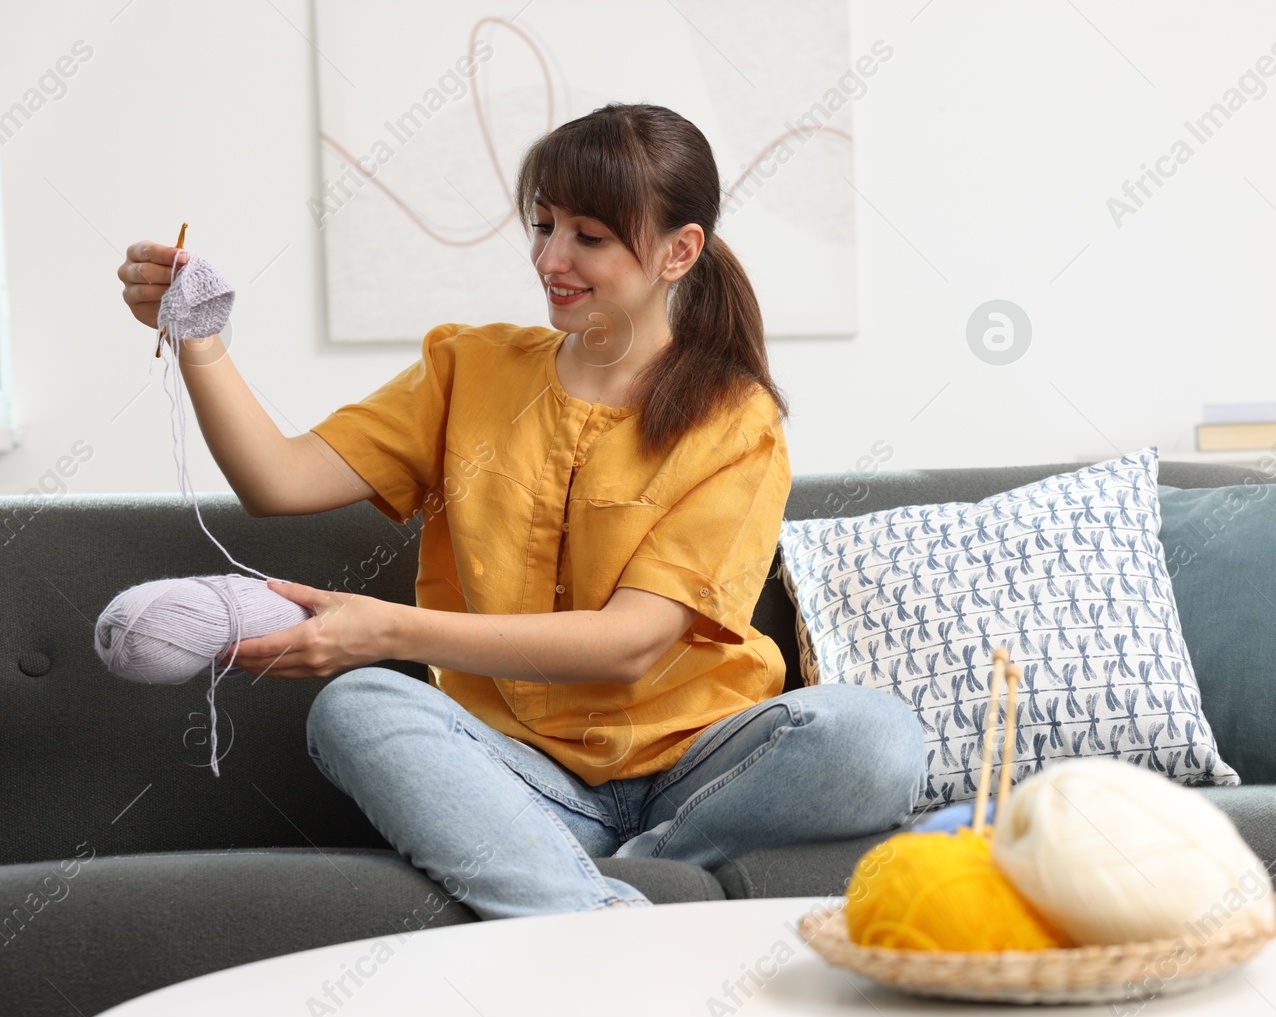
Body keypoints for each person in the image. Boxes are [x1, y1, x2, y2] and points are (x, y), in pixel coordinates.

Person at [116, 101, 925, 918]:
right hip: (519, 773)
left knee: (875, 735)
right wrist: (201, 341)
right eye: (543, 227)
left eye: (590, 236)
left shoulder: (735, 419)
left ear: (680, 251)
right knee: (355, 708)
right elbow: (278, 481)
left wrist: (387, 627)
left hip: (702, 773)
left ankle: (576, 876)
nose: (551, 258)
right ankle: (598, 914)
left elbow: (632, 643)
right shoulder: (469, 369)